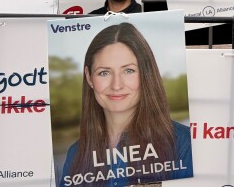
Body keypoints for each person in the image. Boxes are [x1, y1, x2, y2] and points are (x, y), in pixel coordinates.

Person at [59, 23, 192, 185]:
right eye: (104, 72)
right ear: (89, 77)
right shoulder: (75, 154)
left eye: (129, 70)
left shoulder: (184, 144)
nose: (116, 85)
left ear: (146, 74)